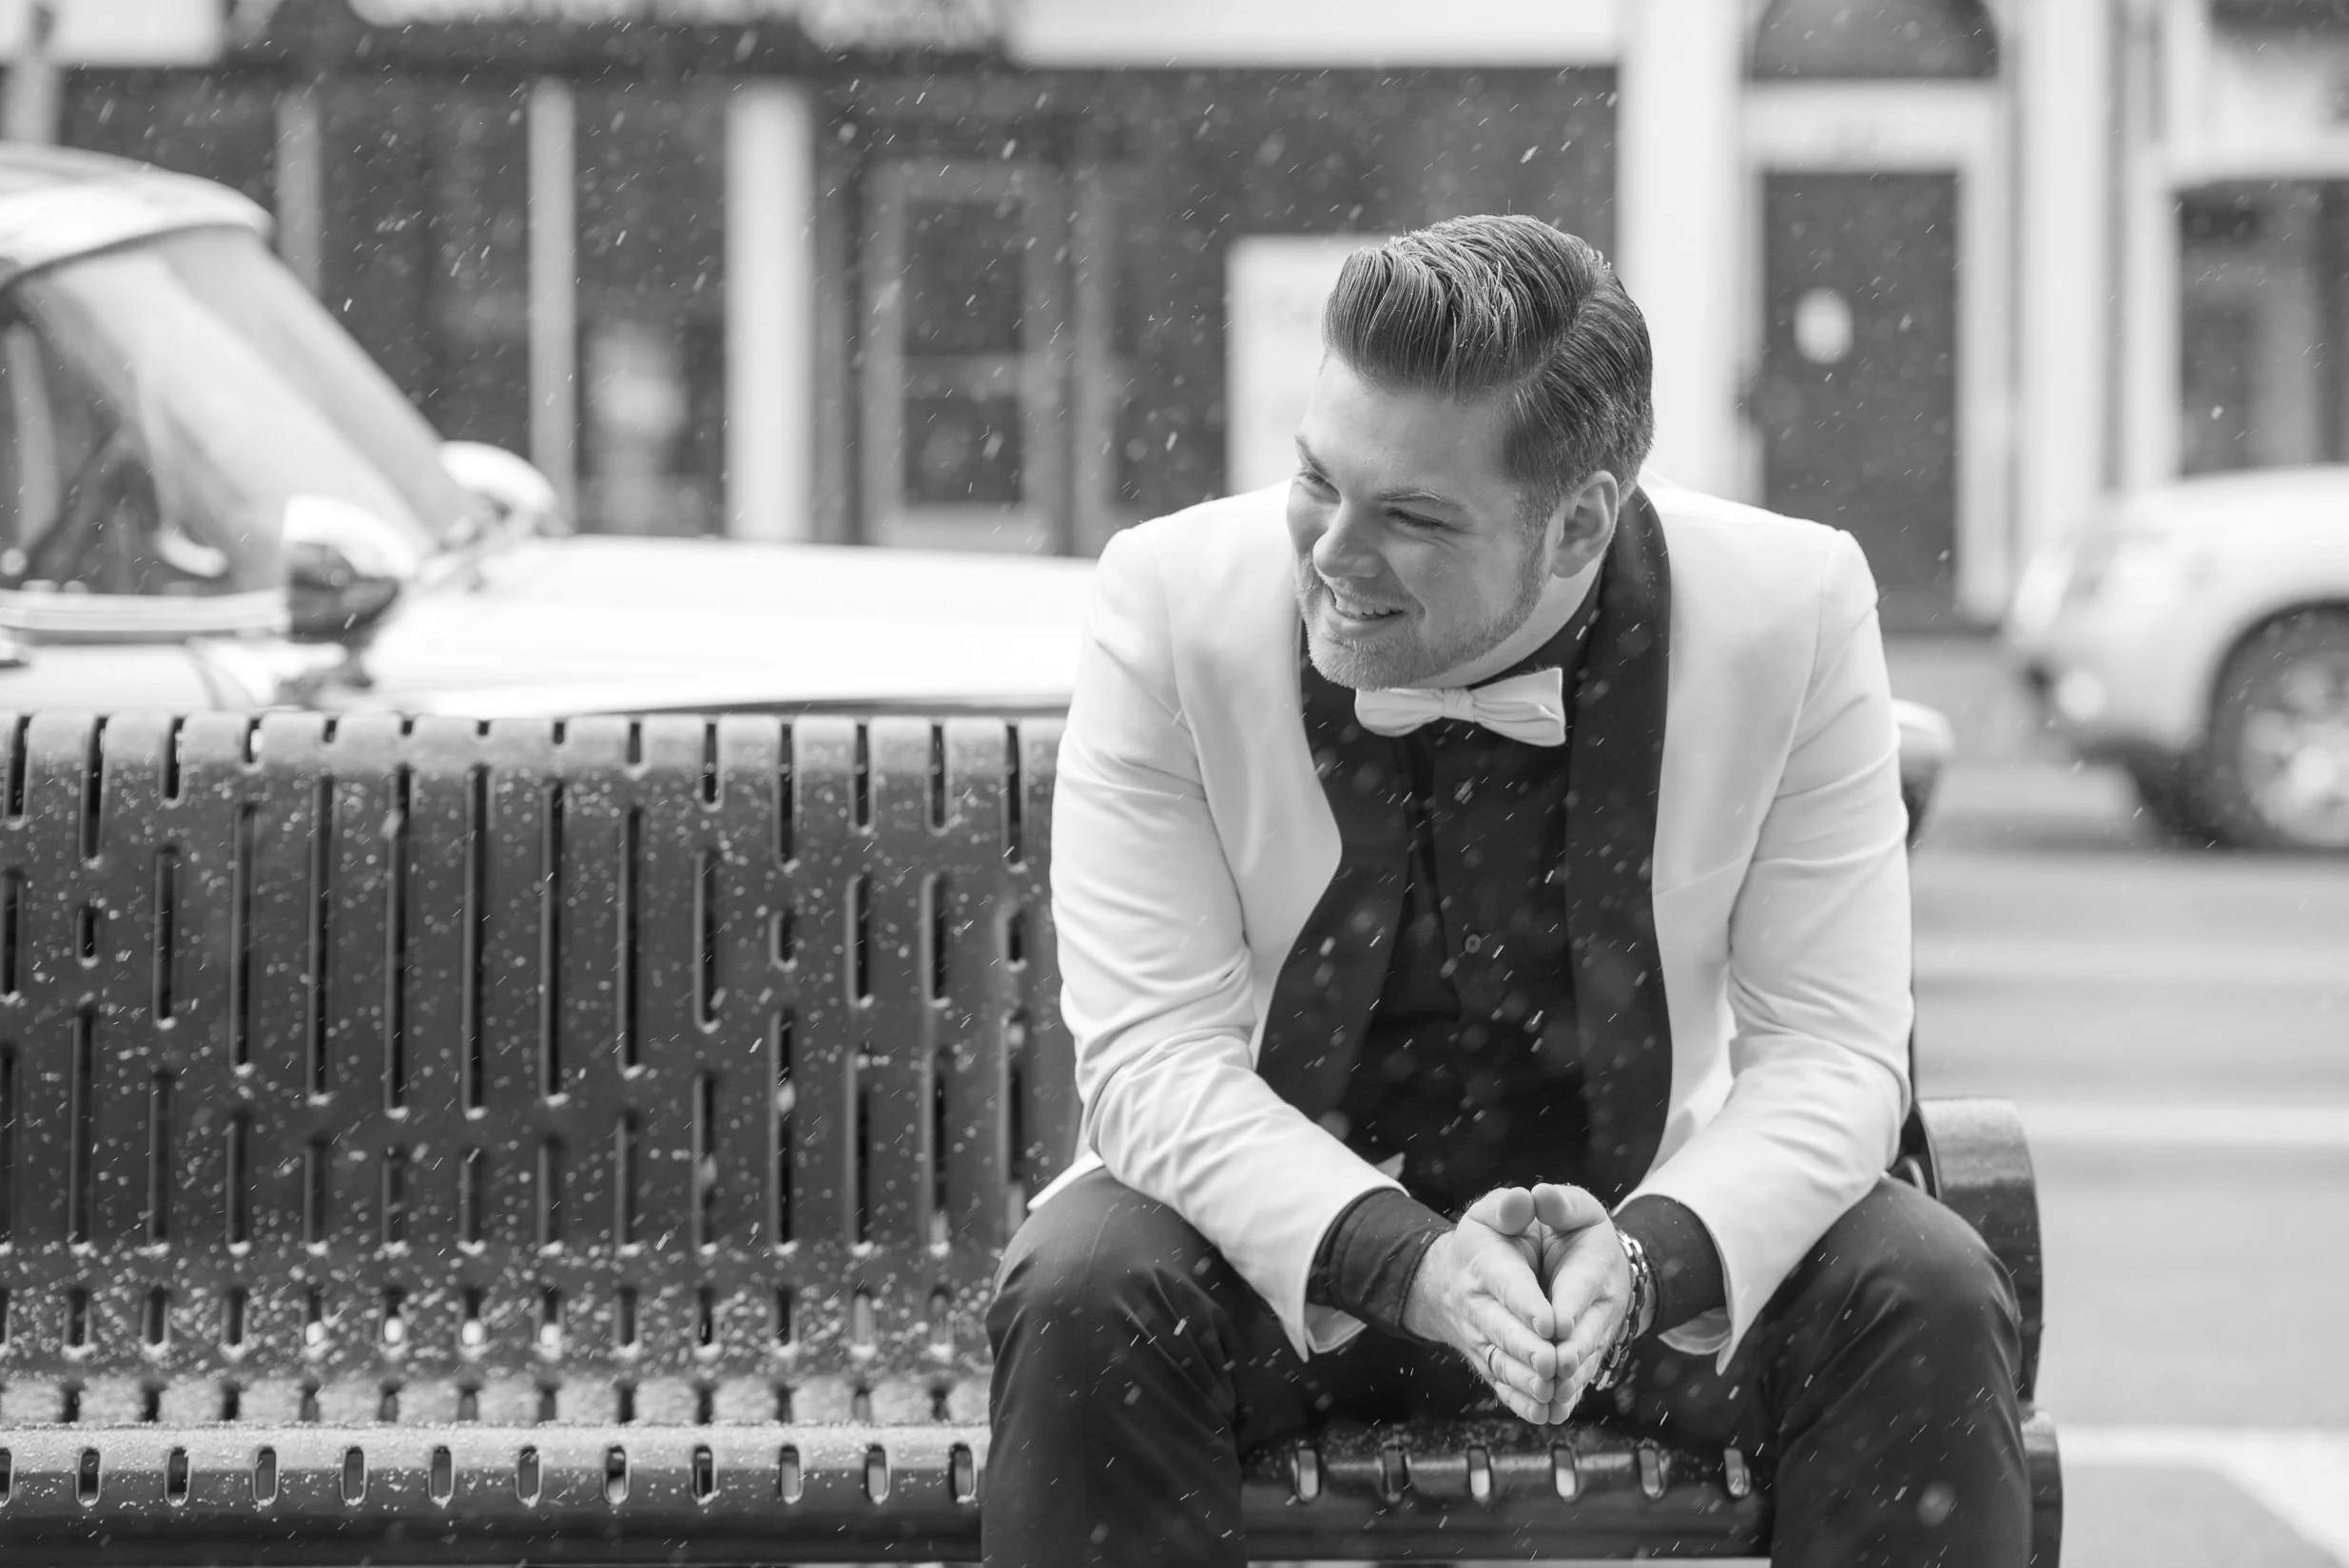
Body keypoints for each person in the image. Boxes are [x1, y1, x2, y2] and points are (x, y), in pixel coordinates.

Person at [984, 215, 2028, 1567]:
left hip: (1651, 1283)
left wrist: (1652, 1259)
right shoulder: (1167, 603)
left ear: (1580, 517)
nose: (1331, 556)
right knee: (1082, 1288)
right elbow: (1147, 1061)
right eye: (1316, 480)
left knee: (1923, 1287)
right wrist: (1400, 1263)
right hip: (1276, 1277)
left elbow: (1832, 1052)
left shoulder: (1794, 606)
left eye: (1410, 517)